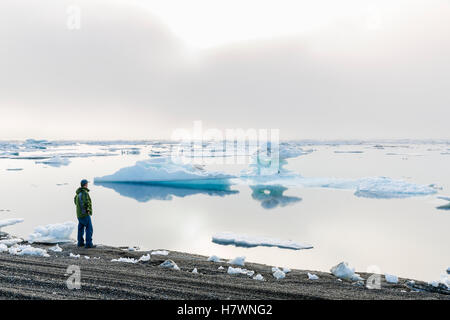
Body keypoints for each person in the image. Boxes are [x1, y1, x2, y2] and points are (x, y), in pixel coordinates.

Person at [74, 179, 96, 248]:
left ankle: (80, 243)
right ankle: (89, 244)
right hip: (85, 214)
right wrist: (88, 210)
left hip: (79, 214)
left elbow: (75, 202)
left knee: (80, 228)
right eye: (87, 184)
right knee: (89, 228)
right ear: (85, 184)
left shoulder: (77, 194)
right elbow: (87, 202)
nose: (87, 185)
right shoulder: (84, 193)